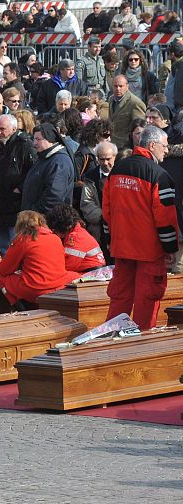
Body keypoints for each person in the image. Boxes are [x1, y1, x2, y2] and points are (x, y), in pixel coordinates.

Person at [104, 125, 178, 330]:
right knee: (148, 300)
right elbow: (165, 218)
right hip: (149, 251)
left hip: (122, 247)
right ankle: (142, 346)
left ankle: (112, 338)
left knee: (120, 298)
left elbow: (107, 213)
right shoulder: (160, 176)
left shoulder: (116, 170)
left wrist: (111, 241)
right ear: (152, 145)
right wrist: (170, 248)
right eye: (164, 146)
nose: (166, 150)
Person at [0, 210, 78, 307]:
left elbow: (3, 270)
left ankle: (17, 305)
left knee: (3, 279)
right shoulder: (55, 238)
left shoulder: (23, 239)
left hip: (35, 288)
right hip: (58, 285)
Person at [0, 115, 37, 257]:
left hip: (15, 205)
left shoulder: (24, 144)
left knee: (15, 245)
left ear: (14, 129)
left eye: (2, 129)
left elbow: (33, 171)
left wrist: (20, 188)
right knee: (4, 246)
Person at [21, 124, 75, 215]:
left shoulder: (60, 161)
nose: (34, 143)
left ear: (50, 139)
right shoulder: (44, 157)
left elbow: (53, 197)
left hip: (47, 220)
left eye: (38, 139)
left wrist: (33, 212)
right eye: (34, 139)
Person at [46, 204, 105, 275]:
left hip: (91, 275)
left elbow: (69, 265)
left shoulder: (76, 238)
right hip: (92, 272)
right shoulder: (78, 231)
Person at [109, 75, 147, 150]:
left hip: (126, 147)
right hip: (113, 143)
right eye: (115, 86)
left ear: (127, 86)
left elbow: (139, 129)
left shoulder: (135, 103)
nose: (118, 89)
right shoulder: (111, 99)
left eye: (121, 86)